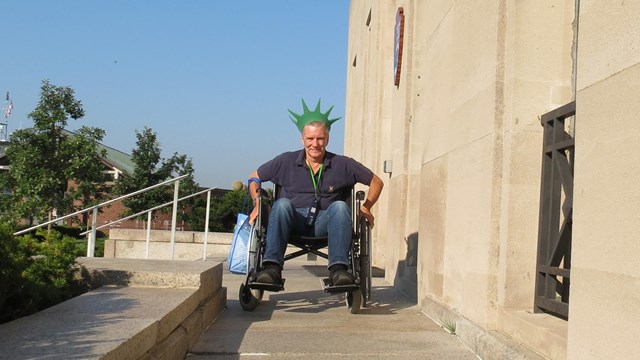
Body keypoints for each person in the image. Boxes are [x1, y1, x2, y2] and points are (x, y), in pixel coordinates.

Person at [247, 99, 384, 288]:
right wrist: (257, 204)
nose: (315, 144)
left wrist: (367, 206)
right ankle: (271, 268)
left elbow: (376, 181)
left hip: (326, 222)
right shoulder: (285, 161)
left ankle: (339, 271)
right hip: (292, 220)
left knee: (340, 206)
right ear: (302, 140)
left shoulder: (342, 164)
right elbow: (254, 178)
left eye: (320, 139)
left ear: (327, 140)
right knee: (281, 204)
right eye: (310, 139)